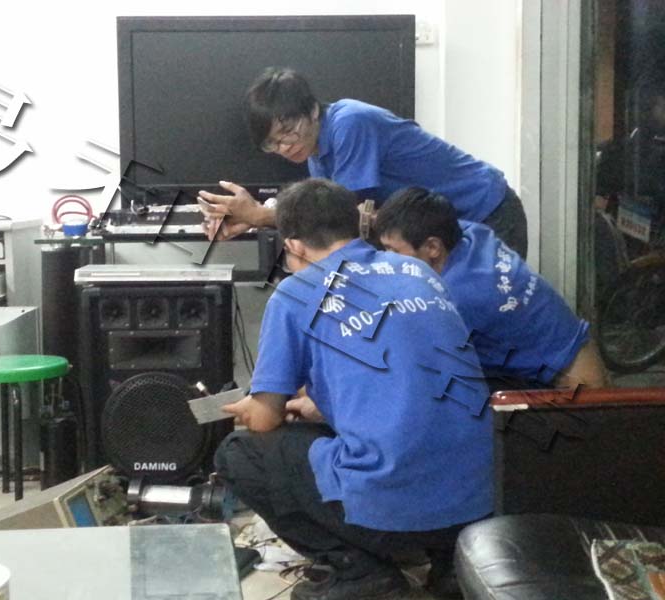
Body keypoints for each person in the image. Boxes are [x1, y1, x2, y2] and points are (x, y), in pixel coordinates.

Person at [215, 178, 493, 600]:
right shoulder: (417, 270)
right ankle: (448, 567)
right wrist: (321, 406)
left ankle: (362, 574)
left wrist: (247, 407)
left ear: (293, 246)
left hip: (392, 515)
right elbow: (404, 379)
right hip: (477, 503)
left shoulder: (294, 293)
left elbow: (265, 419)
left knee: (239, 453)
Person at [198, 67, 528, 258]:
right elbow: (330, 219)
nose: (285, 147)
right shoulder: (317, 155)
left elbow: (342, 217)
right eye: (272, 143)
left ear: (312, 110)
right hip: (440, 229)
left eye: (288, 131)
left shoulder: (349, 123)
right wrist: (254, 220)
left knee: (484, 330)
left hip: (486, 211)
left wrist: (260, 214)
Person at [374, 187, 608, 390]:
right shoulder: (471, 234)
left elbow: (409, 349)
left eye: (394, 251)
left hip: (572, 385)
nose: (386, 259)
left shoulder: (460, 297)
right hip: (572, 351)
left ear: (432, 247)